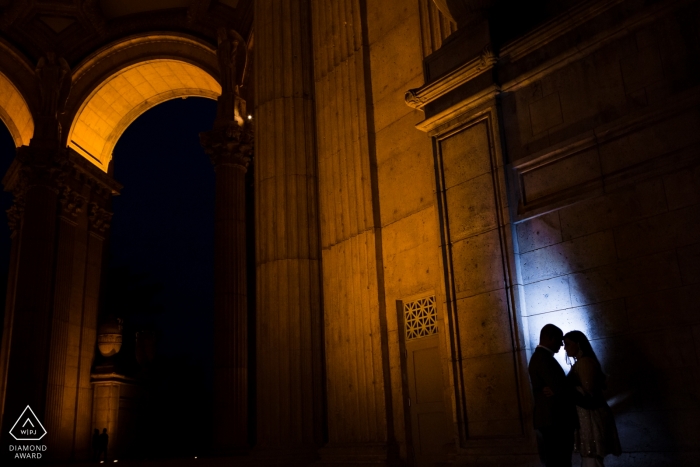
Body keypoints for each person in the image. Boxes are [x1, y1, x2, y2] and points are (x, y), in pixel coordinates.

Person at [563, 331, 621, 467]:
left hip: (590, 417)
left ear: (578, 344)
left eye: (568, 344)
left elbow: (588, 393)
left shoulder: (584, 363)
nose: (565, 348)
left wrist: (565, 390)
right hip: (587, 416)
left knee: (592, 459)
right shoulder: (582, 362)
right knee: (591, 459)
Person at [528, 324, 577, 467]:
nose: (562, 345)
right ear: (550, 338)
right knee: (559, 460)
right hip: (554, 419)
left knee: (557, 460)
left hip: (551, 419)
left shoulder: (542, 357)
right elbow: (559, 386)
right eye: (560, 340)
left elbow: (557, 386)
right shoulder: (543, 358)